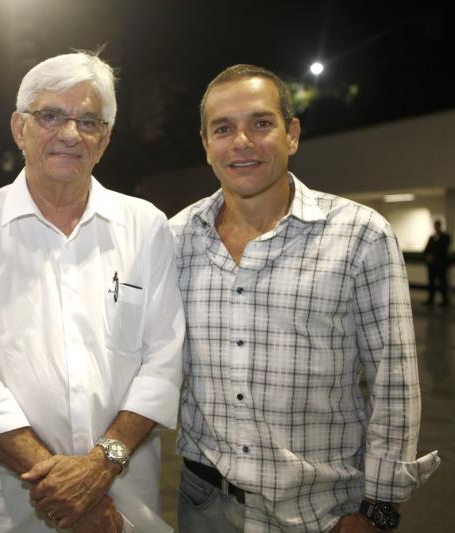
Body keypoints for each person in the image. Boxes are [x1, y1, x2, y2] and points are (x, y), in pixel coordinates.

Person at [169, 64, 440, 532]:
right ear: (206, 144)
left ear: (291, 134)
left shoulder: (360, 235)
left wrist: (379, 509)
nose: (241, 142)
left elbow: (394, 381)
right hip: (205, 505)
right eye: (223, 128)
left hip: (323, 511)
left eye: (261, 123)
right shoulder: (175, 239)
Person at [0, 51, 184, 532]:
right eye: (51, 115)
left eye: (88, 121)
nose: (70, 134)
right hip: (9, 512)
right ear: (19, 128)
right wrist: (74, 496)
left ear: (104, 139)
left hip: (126, 507)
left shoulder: (145, 227)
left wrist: (99, 469)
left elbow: (163, 363)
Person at [423, 218, 450, 307]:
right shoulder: (431, 238)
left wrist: (433, 256)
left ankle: (445, 300)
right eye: (435, 226)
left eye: (437, 225)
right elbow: (426, 249)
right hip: (432, 265)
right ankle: (430, 299)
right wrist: (428, 256)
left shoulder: (445, 237)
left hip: (441, 264)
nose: (436, 227)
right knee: (431, 283)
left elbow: (443, 249)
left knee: (442, 283)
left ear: (440, 226)